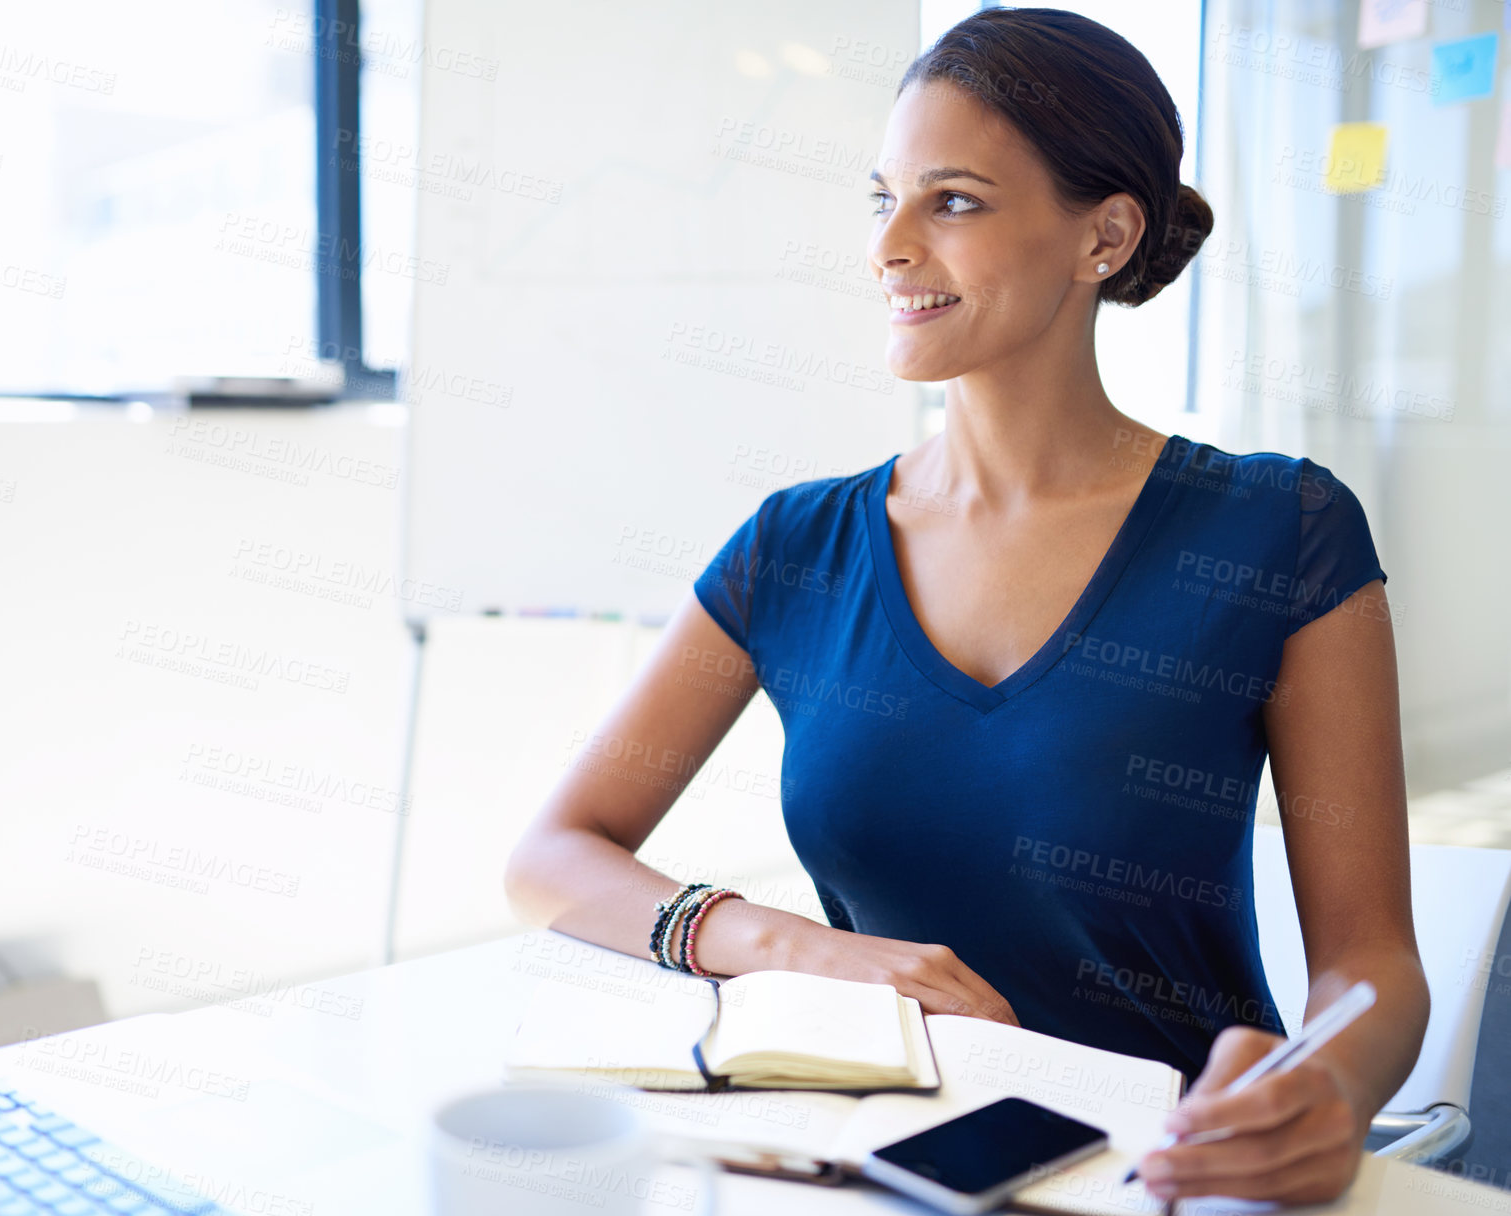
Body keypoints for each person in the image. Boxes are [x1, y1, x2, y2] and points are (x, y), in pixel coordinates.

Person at [504, 8, 1427, 1205]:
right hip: (874, 1167)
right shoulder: (798, 545)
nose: (888, 244)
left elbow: (1373, 966)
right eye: (879, 197)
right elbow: (551, 855)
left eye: (952, 201)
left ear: (1104, 235)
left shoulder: (1277, 529)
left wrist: (1327, 1086)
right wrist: (801, 948)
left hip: (1165, 1176)